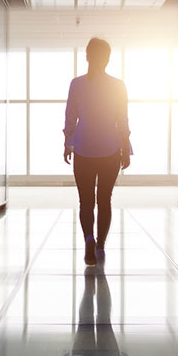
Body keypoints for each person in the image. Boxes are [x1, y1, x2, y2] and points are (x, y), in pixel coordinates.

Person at [64, 38, 131, 265]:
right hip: (110, 149)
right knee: (105, 200)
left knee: (85, 201)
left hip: (83, 149)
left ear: (87, 56)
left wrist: (67, 143)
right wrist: (125, 149)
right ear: (107, 59)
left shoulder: (77, 84)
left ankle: (89, 238)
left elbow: (70, 116)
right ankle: (100, 246)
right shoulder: (118, 85)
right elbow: (122, 120)